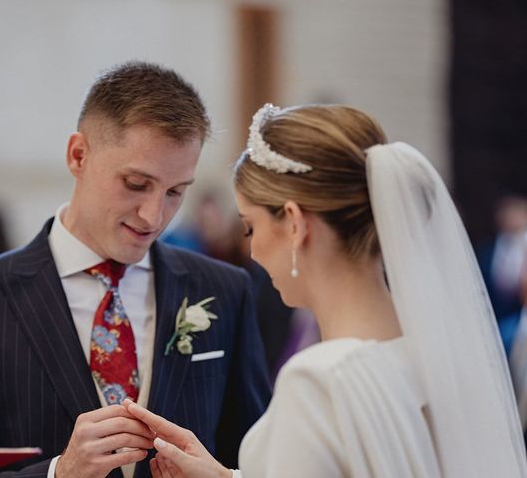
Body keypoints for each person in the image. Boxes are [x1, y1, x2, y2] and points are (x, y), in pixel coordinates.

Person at [121, 103, 527, 477]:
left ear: (295, 223)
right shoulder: (440, 356)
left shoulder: (318, 380)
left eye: (251, 227)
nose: (253, 250)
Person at [0, 61, 270, 478]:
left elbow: (255, 460)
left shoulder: (224, 290)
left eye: (175, 192)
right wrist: (57, 474)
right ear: (78, 155)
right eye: (136, 184)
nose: (154, 215)